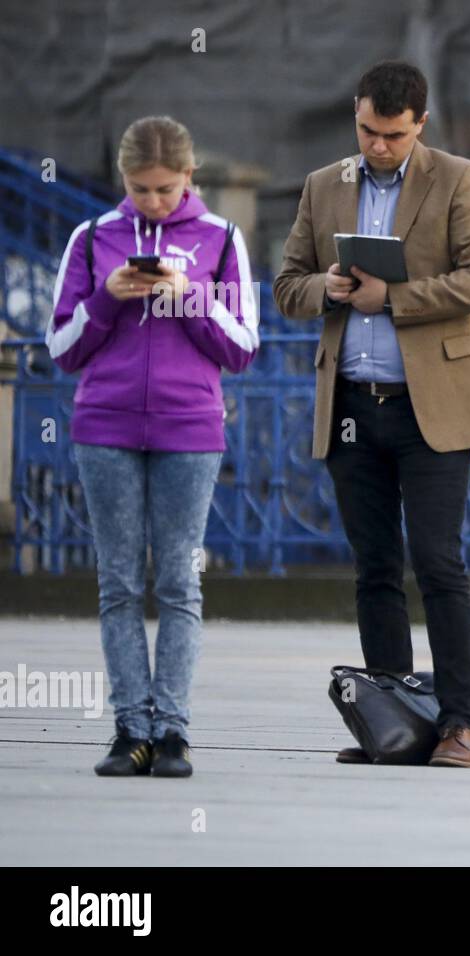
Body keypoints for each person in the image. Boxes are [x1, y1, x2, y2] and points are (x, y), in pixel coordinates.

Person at [273, 61, 470, 769]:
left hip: (431, 406)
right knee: (374, 567)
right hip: (350, 407)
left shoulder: (459, 178)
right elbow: (286, 285)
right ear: (356, 114)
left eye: (394, 136)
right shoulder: (322, 186)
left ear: (421, 125)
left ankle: (461, 725)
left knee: (438, 563)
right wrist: (330, 288)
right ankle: (392, 723)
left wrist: (393, 299)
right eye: (369, 131)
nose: (378, 146)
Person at [45, 115, 259, 777]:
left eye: (166, 188)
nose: (155, 201)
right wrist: (107, 300)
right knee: (116, 583)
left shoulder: (222, 239)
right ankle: (128, 729)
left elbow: (243, 347)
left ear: (190, 177)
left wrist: (188, 295)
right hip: (104, 427)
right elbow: (61, 348)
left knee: (176, 582)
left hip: (188, 432)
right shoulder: (91, 239)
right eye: (141, 189)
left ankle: (172, 731)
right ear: (123, 180)